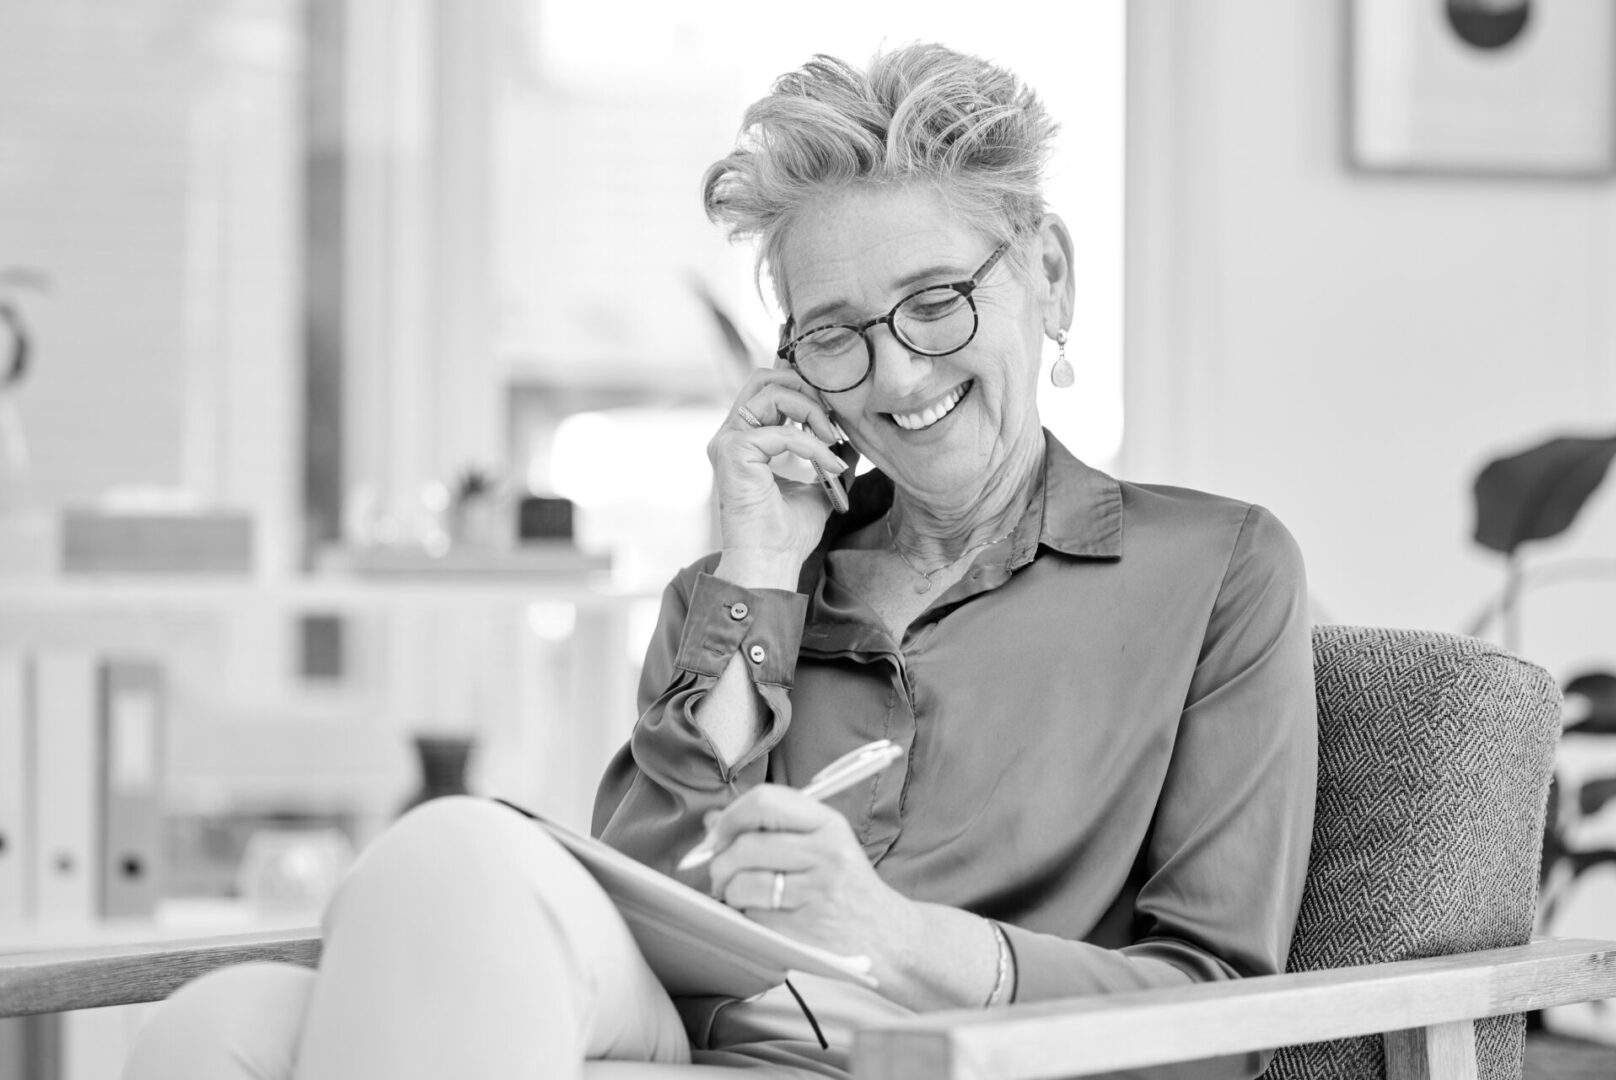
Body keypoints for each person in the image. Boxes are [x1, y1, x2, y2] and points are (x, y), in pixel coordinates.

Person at [122, 42, 1316, 1080]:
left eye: (937, 301)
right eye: (835, 335)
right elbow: (648, 892)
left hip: (929, 1054)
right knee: (218, 1023)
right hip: (696, 1031)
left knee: (292, 981)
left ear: (1045, 273)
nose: (896, 376)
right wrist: (757, 570)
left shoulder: (1211, 569)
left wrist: (891, 933)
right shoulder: (741, 588)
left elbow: (1217, 1015)